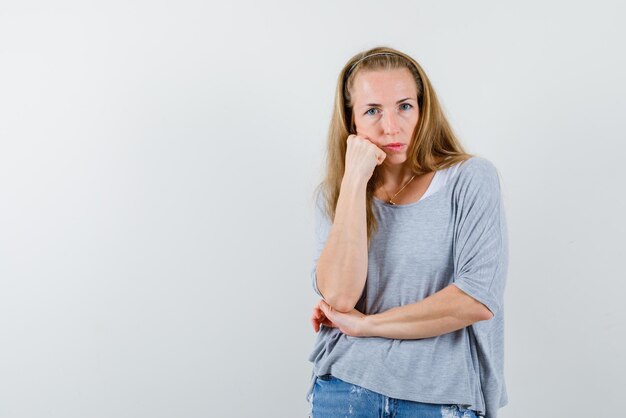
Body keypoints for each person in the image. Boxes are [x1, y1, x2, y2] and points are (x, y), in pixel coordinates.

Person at [306, 46, 509, 418]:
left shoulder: (468, 179)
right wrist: (353, 181)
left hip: (440, 396)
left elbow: (476, 299)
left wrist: (368, 325)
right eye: (372, 111)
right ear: (352, 122)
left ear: (422, 108)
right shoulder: (336, 195)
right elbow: (338, 295)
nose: (391, 127)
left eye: (404, 106)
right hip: (345, 391)